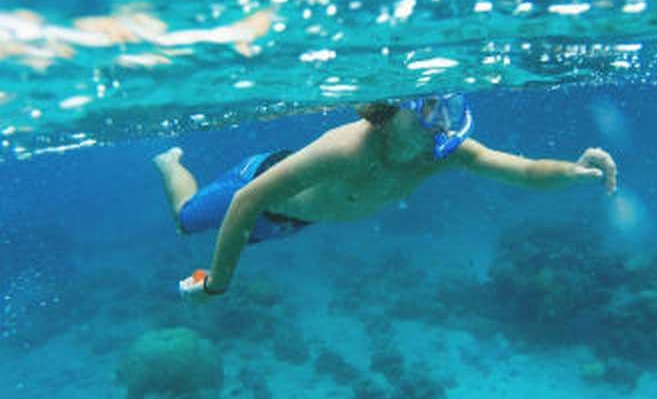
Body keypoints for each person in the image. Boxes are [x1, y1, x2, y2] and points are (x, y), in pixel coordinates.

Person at [153, 94, 617, 299]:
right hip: (253, 188)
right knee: (185, 220)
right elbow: (245, 204)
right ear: (391, 111)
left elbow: (525, 172)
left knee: (241, 232)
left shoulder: (442, 153)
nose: (440, 123)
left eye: (448, 109)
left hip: (292, 220)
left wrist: (574, 171)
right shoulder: (348, 148)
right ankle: (170, 163)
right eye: (428, 109)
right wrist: (218, 284)